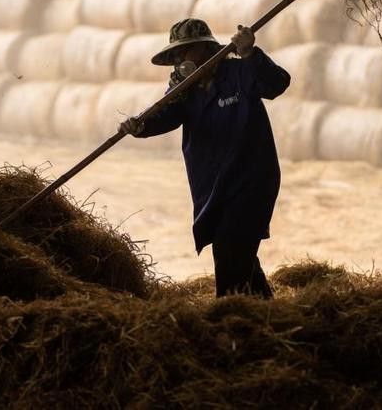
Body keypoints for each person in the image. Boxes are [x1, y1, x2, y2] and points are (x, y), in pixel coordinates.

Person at [119, 18, 290, 298]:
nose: (180, 60)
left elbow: (277, 84)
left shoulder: (239, 71)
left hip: (250, 180)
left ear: (207, 49)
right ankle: (266, 311)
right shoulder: (184, 88)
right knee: (238, 256)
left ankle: (230, 317)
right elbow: (166, 117)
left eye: (186, 51)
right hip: (213, 186)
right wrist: (140, 126)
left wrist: (250, 53)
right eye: (176, 55)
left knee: (230, 249)